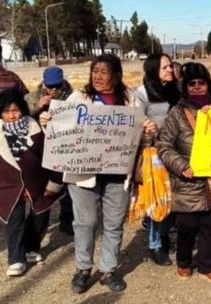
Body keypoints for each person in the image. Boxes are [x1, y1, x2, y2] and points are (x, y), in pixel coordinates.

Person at [40, 54, 156, 294]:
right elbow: (60, 131)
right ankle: (83, 269)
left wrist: (148, 131)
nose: (98, 76)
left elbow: (141, 141)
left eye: (104, 72)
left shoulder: (132, 101)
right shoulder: (78, 98)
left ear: (116, 75)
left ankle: (108, 270)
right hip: (83, 173)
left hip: (118, 175)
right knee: (86, 222)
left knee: (114, 223)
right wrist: (47, 122)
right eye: (95, 71)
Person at [157, 62, 211, 285]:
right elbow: (164, 146)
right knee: (188, 225)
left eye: (201, 83)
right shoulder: (176, 113)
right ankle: (184, 261)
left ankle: (208, 265)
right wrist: (182, 167)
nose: (196, 87)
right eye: (192, 83)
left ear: (208, 85)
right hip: (186, 179)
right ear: (185, 87)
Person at [0, 90, 63, 277]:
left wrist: (54, 182)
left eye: (15, 110)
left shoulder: (35, 127)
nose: (12, 115)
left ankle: (32, 248)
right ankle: (16, 259)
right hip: (9, 185)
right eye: (6, 111)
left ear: (22, 109)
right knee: (15, 220)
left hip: (38, 183)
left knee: (40, 216)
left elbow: (50, 154)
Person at [134, 53, 180, 266]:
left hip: (175, 151)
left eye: (170, 66)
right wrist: (146, 130)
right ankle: (155, 245)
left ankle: (164, 234)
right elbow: (135, 125)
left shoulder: (175, 89)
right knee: (156, 199)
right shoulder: (142, 94)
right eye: (165, 67)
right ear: (153, 70)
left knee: (172, 198)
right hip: (154, 154)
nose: (170, 70)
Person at [24, 65, 75, 236]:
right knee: (43, 191)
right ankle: (36, 232)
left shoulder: (72, 97)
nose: (53, 90)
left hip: (65, 147)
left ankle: (67, 221)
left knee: (68, 188)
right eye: (50, 86)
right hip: (40, 150)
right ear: (44, 84)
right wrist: (37, 107)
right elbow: (20, 119)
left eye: (57, 86)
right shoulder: (31, 97)